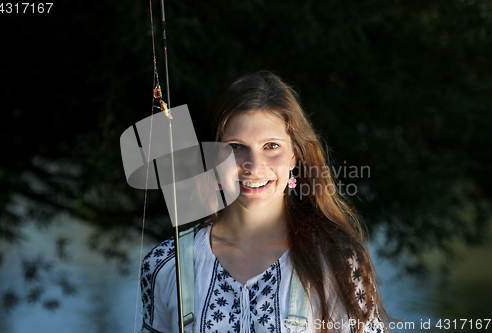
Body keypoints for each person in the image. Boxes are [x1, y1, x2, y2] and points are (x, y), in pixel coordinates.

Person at [140, 71, 389, 333]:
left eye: (271, 146)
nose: (254, 167)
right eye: (236, 146)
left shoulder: (338, 262)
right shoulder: (166, 264)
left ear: (295, 155)